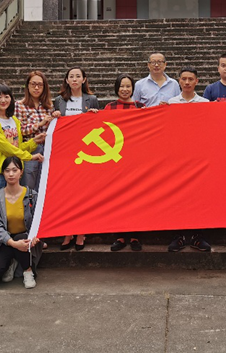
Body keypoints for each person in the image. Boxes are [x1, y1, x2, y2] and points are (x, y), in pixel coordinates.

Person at [0, 84, 45, 281]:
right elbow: (4, 146)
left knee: (10, 219)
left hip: (11, 171)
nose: (3, 100)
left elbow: (17, 145)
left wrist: (34, 142)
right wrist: (29, 157)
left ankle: (8, 261)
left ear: (11, 99)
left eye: (6, 96)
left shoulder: (14, 120)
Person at [52, 66, 100, 250]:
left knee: (83, 194)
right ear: (66, 80)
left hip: (86, 154)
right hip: (65, 154)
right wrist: (54, 116)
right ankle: (67, 231)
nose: (74, 79)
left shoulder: (92, 100)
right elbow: (55, 126)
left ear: (84, 79)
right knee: (66, 193)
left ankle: (81, 232)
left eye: (78, 76)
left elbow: (98, 126)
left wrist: (95, 116)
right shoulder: (59, 101)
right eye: (71, 76)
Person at [167, 67, 212, 252]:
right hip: (176, 156)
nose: (186, 82)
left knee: (198, 197)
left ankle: (197, 236)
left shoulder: (205, 102)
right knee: (177, 197)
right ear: (178, 81)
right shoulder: (170, 103)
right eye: (183, 79)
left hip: (198, 156)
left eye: (190, 79)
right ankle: (178, 236)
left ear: (197, 82)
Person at [0, 156, 43, 290]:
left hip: (26, 240)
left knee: (22, 238)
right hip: (6, 241)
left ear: (21, 172)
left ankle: (27, 271)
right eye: (7, 170)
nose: (11, 174)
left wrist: (35, 237)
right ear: (3, 173)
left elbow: (39, 221)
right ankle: (12, 262)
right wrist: (12, 243)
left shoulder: (32, 195)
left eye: (14, 170)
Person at [105, 74, 146, 251]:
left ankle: (136, 236)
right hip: (116, 160)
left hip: (136, 159)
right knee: (117, 197)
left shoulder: (141, 107)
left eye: (128, 86)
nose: (125, 89)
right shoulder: (109, 107)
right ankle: (120, 236)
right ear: (116, 88)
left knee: (137, 197)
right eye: (121, 86)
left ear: (133, 88)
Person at [15, 71, 59, 191]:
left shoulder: (49, 106)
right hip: (31, 149)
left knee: (44, 185)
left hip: (48, 149)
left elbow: (54, 128)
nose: (36, 88)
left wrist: (56, 117)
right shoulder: (19, 105)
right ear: (27, 86)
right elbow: (19, 131)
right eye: (33, 84)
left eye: (40, 85)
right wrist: (39, 124)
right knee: (29, 185)